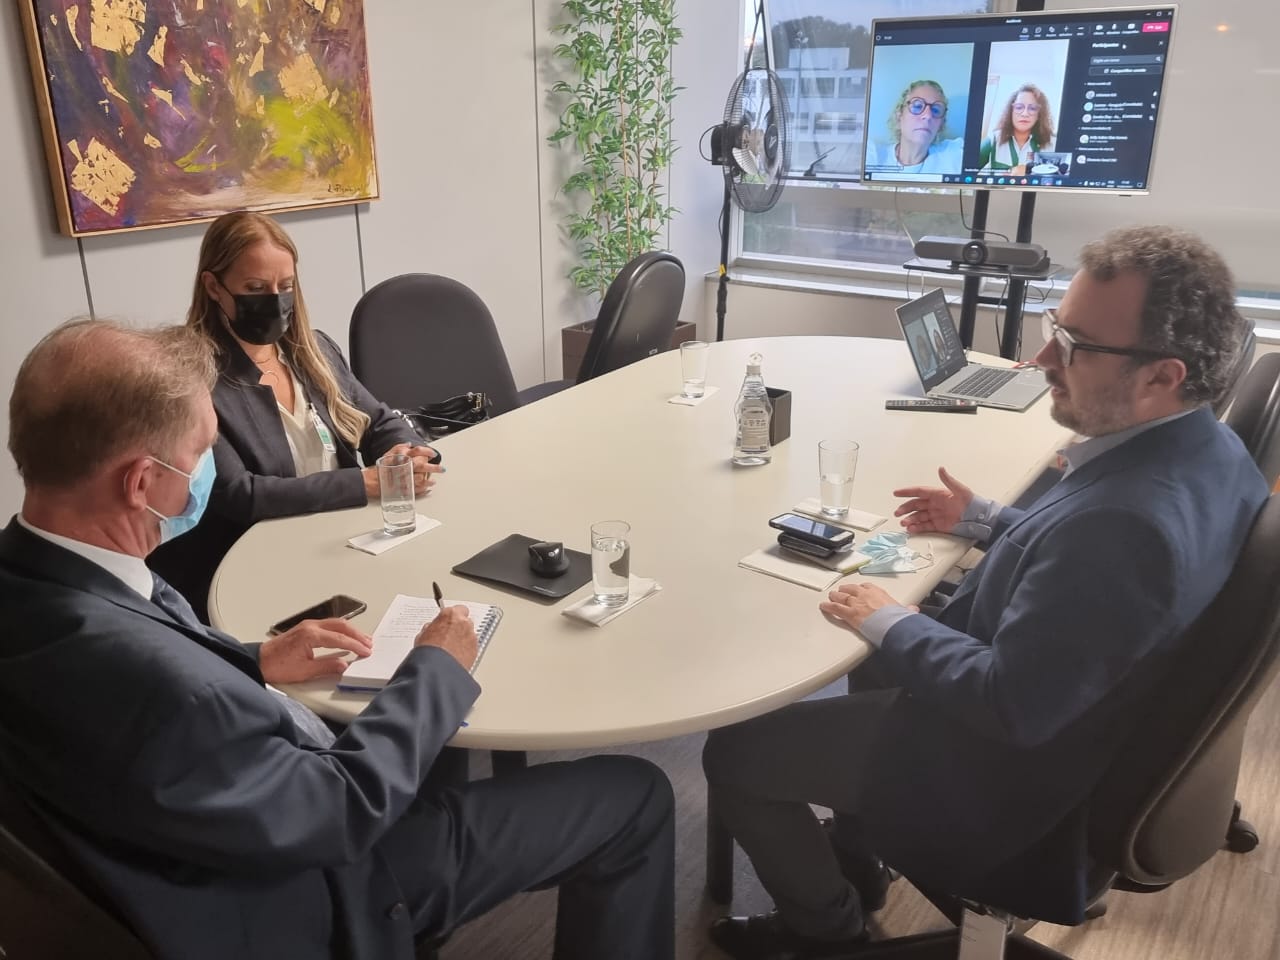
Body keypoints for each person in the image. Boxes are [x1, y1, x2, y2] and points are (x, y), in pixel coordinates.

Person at [0, 319, 675, 960]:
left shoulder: (32, 581)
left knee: (426, 742)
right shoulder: (172, 692)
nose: (210, 470)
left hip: (194, 841)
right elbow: (340, 810)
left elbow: (158, 677)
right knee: (635, 795)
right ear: (140, 482)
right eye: (201, 452)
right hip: (325, 884)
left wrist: (255, 659)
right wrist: (437, 668)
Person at [703, 225, 1268, 959]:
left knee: (738, 755)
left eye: (1075, 345)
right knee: (875, 650)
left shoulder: (1128, 527)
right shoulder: (1210, 450)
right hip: (1088, 711)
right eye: (1055, 328)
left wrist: (891, 620)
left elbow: (1012, 703)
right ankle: (859, 862)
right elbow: (1085, 566)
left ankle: (826, 932)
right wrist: (984, 518)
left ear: (1161, 377)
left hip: (1012, 779)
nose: (1042, 359)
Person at [148, 211, 438, 619]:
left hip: (342, 539)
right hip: (252, 566)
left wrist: (405, 453)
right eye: (255, 288)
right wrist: (365, 483)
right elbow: (240, 495)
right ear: (214, 287)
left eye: (285, 286)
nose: (274, 300)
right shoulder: (191, 376)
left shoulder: (313, 351)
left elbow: (378, 420)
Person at [866, 81, 963, 175]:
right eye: (917, 106)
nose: (928, 115)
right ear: (899, 117)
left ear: (940, 125)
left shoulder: (953, 155)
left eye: (936, 110)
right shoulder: (872, 155)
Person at [979, 83, 1056, 175]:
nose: (1025, 114)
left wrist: (1028, 171)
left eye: (1032, 108)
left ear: (1039, 114)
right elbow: (967, 170)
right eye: (1019, 107)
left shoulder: (1052, 143)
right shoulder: (993, 139)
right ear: (1011, 111)